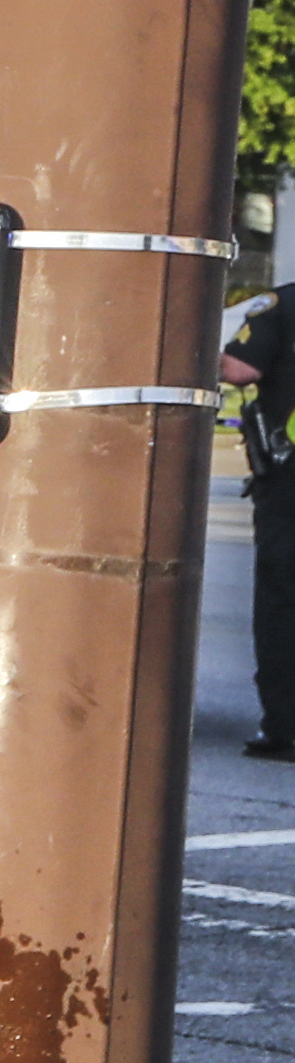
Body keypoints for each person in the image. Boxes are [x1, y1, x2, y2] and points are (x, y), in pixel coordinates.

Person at [223, 288, 295, 758]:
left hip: (290, 484)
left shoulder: (282, 307)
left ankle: (286, 727)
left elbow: (240, 369)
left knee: (282, 600)